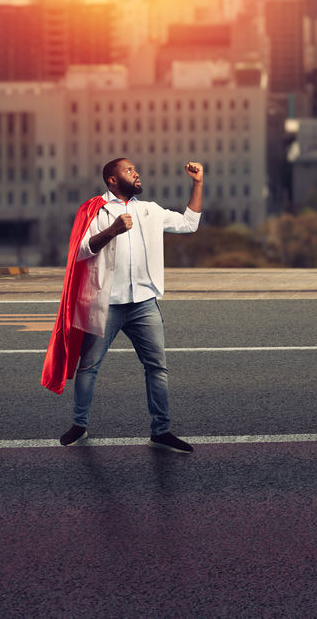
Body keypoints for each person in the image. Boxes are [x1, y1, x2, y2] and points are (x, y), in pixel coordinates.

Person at [41, 157, 203, 452]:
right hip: (107, 305)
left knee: (157, 367)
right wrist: (112, 230)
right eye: (129, 170)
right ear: (113, 179)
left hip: (144, 304)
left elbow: (189, 224)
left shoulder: (149, 210)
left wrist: (198, 183)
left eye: (135, 169)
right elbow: (81, 251)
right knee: (89, 367)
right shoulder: (95, 210)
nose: (136, 172)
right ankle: (80, 425)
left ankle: (161, 430)